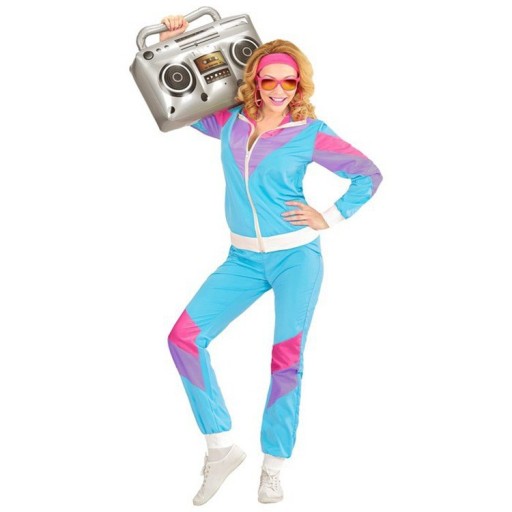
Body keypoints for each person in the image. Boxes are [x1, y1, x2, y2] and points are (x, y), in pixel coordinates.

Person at [159, 14, 383, 506]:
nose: (279, 90)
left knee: (286, 361)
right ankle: (220, 448)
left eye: (289, 81)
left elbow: (368, 174)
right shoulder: (228, 123)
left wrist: (329, 216)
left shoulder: (310, 132)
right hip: (241, 260)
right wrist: (174, 43)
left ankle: (273, 468)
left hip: (295, 259)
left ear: (299, 84)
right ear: (254, 81)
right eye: (269, 80)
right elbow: (174, 99)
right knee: (183, 339)